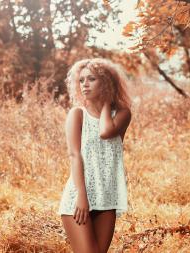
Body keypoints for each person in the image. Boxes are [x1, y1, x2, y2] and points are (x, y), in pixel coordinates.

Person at [57, 58, 132, 253]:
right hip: (79, 197)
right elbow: (75, 156)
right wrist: (82, 196)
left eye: (91, 79)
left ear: (106, 82)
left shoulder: (122, 114)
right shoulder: (77, 115)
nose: (85, 85)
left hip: (106, 196)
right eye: (81, 80)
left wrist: (106, 103)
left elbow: (105, 131)